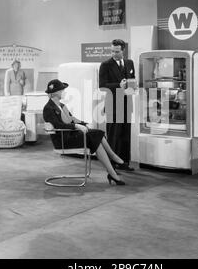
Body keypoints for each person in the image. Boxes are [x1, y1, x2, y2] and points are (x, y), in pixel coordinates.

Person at [43, 79, 126, 186]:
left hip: (71, 135)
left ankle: (112, 171)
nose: (64, 92)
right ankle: (114, 161)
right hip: (63, 140)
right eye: (62, 90)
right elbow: (58, 126)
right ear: (55, 92)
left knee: (97, 135)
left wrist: (83, 123)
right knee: (96, 137)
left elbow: (72, 118)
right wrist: (76, 126)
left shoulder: (62, 105)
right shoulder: (48, 108)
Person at [99, 39, 135, 171]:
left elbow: (132, 80)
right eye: (112, 51)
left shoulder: (130, 63)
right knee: (113, 135)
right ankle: (112, 164)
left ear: (123, 50)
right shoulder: (105, 65)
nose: (114, 54)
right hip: (113, 105)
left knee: (125, 135)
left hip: (127, 104)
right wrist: (118, 86)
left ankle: (124, 162)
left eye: (117, 51)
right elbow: (102, 86)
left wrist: (132, 87)